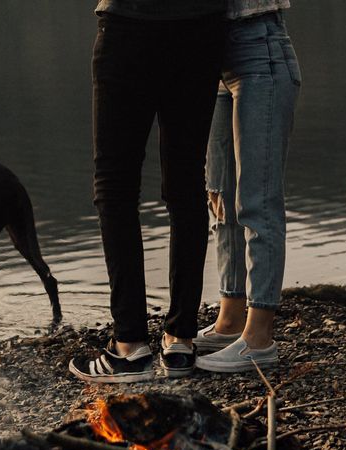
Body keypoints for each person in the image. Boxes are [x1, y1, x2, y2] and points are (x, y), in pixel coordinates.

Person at [69, 0, 226, 384]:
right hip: (200, 26)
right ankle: (180, 340)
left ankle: (130, 345)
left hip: (129, 23)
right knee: (186, 179)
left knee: (115, 184)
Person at [194, 1, 300, 373]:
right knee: (221, 195)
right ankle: (231, 318)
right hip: (214, 49)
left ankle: (259, 338)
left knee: (258, 199)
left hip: (260, 44)